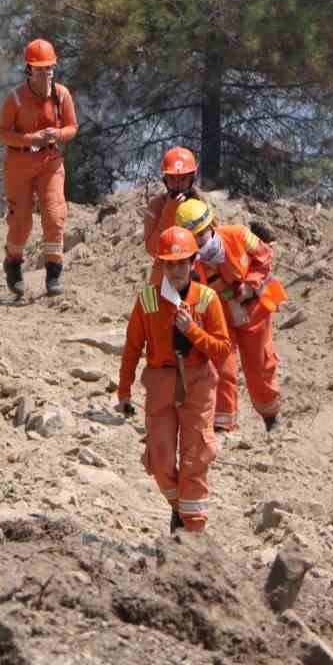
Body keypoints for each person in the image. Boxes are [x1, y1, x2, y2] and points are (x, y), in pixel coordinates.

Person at [116, 226, 233, 533]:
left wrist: (192, 330)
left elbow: (222, 349)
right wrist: (123, 391)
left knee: (195, 459)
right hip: (160, 383)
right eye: (170, 263)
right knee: (161, 458)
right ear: (162, 266)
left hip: (198, 382)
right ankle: (179, 509)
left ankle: (192, 535)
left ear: (194, 262)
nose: (177, 269)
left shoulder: (207, 299)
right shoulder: (148, 300)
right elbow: (132, 348)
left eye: (182, 263)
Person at [175, 197, 283, 434]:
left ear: (211, 224)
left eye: (202, 233)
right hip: (220, 315)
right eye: (193, 237)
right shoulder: (189, 264)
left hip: (254, 309)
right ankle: (223, 425)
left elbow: (265, 257)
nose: (200, 240)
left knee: (260, 365)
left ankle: (271, 416)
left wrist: (250, 285)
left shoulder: (238, 235)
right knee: (222, 367)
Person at [0, 38, 78, 298]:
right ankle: (13, 264)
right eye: (41, 68)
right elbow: (2, 133)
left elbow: (72, 127)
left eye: (50, 68)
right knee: (21, 222)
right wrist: (30, 139)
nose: (46, 73)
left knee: (54, 214)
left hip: (50, 162)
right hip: (19, 163)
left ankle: (53, 274)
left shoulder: (62, 94)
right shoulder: (15, 98)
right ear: (29, 70)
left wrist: (58, 134)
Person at [143, 146, 206, 282]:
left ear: (192, 179)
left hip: (196, 275)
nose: (177, 185)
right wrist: (170, 211)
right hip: (165, 276)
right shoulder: (156, 206)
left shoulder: (201, 203)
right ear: (165, 180)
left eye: (183, 179)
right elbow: (153, 249)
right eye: (172, 179)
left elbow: (213, 241)